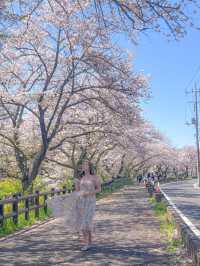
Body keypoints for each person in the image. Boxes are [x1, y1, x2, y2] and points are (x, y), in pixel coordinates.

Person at [75, 160, 101, 251]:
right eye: (82, 165)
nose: (83, 166)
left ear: (89, 166)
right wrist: (77, 186)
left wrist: (89, 193)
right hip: (82, 202)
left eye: (85, 165)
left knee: (86, 221)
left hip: (91, 201)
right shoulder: (80, 178)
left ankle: (86, 244)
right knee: (84, 221)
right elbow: (77, 191)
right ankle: (89, 242)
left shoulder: (94, 177)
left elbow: (99, 189)